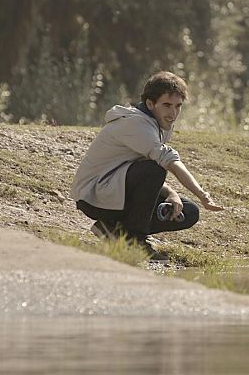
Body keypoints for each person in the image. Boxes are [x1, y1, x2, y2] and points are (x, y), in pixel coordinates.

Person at [70, 71, 223, 259]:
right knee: (156, 168)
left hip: (115, 192)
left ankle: (111, 229)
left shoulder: (157, 124)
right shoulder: (136, 124)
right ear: (150, 104)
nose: (173, 113)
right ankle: (135, 240)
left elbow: (140, 170)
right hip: (94, 198)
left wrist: (172, 194)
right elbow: (166, 163)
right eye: (167, 105)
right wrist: (202, 194)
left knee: (188, 211)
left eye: (178, 106)